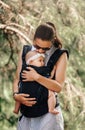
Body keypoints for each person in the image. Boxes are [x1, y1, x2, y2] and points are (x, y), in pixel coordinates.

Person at [13, 22, 69, 130]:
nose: (40, 51)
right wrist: (16, 95)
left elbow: (58, 87)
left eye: (45, 49)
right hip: (26, 115)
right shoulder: (25, 51)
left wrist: (36, 77)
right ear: (34, 39)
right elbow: (17, 79)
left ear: (52, 42)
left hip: (48, 116)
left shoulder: (60, 55)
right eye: (37, 46)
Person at [13, 50, 59, 115]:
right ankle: (51, 108)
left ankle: (16, 109)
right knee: (51, 94)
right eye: (40, 61)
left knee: (19, 94)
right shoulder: (40, 70)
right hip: (36, 93)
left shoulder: (24, 69)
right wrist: (53, 70)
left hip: (25, 93)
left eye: (43, 61)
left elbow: (18, 79)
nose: (42, 63)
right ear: (31, 62)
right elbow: (49, 77)